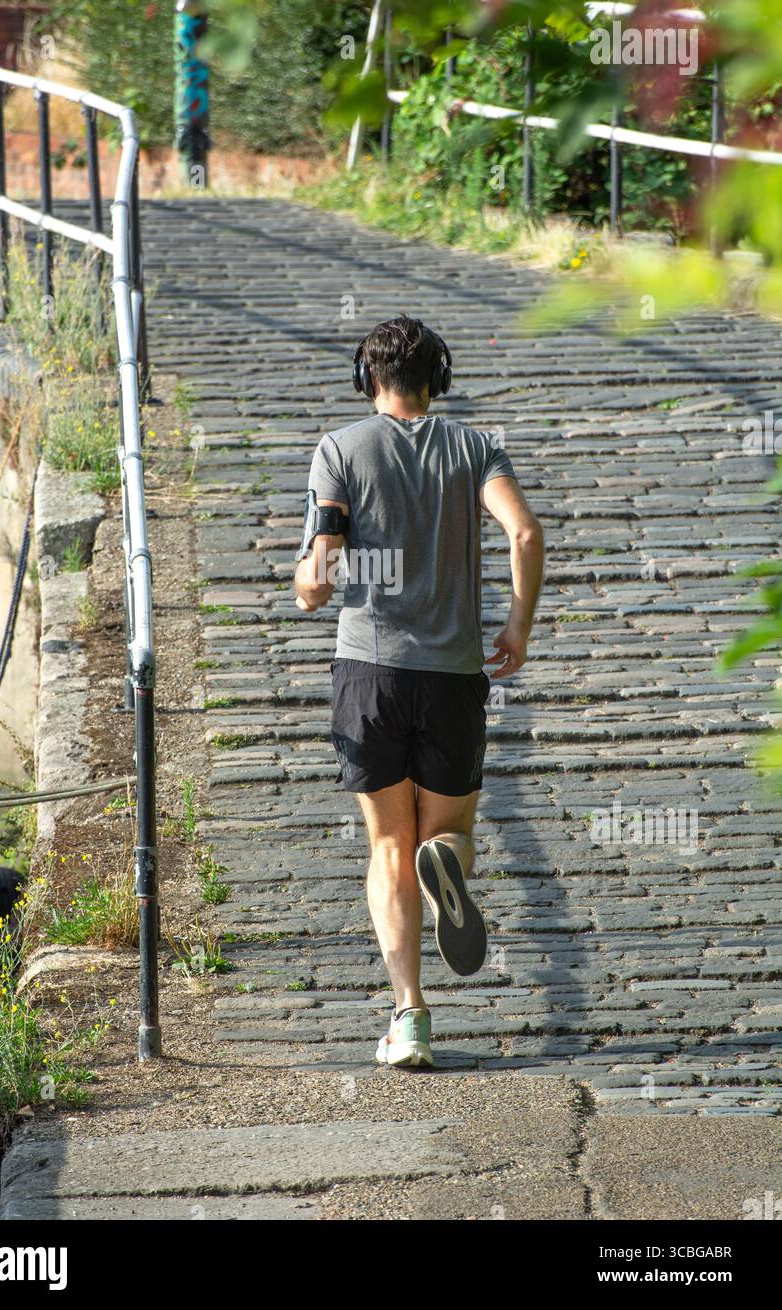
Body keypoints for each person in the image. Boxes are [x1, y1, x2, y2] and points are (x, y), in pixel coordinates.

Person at [294, 316, 545, 1067]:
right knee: (448, 837)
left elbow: (321, 566)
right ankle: (449, 862)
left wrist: (310, 585)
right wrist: (518, 627)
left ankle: (409, 1018)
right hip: (453, 675)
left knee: (387, 846)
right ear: (437, 379)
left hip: (369, 673)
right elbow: (526, 534)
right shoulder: (474, 448)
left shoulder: (340, 448)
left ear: (368, 379)